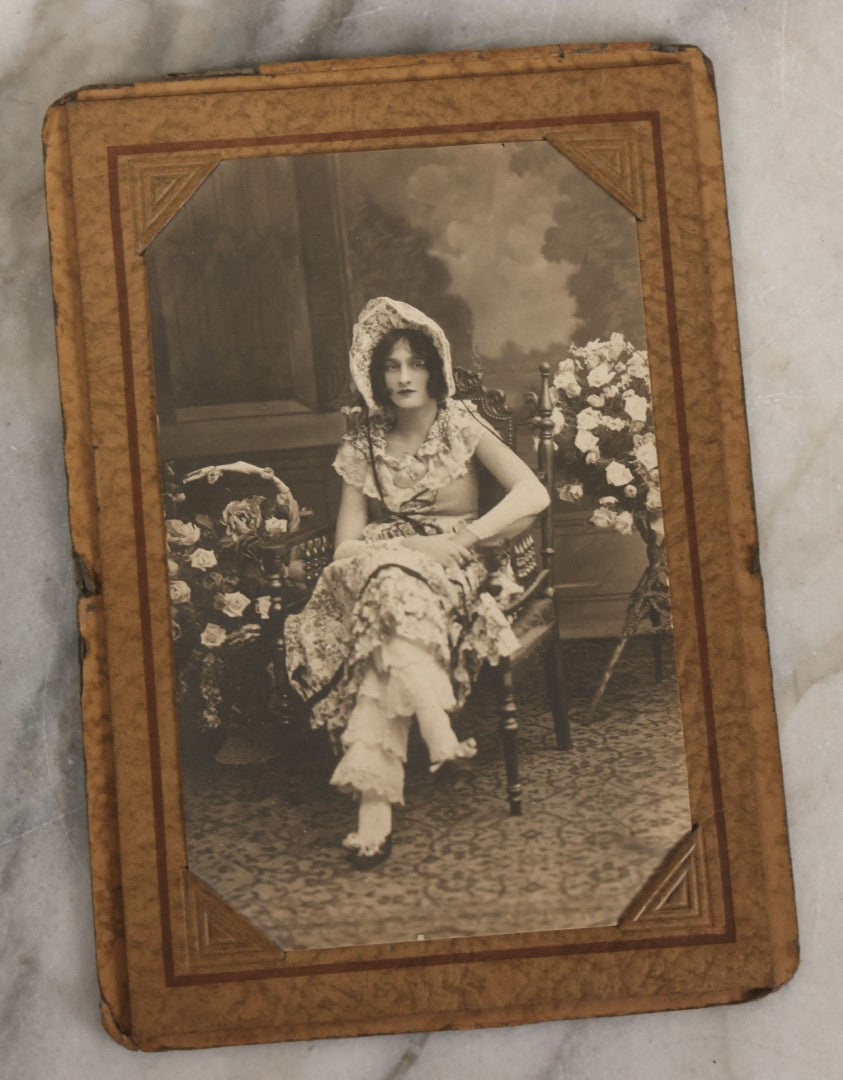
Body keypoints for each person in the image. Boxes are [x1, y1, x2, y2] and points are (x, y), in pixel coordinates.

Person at [284, 297, 550, 868]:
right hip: (379, 565)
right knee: (386, 582)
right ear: (376, 376)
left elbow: (533, 494)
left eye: (415, 364)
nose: (403, 377)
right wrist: (406, 547)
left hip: (453, 564)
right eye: (391, 366)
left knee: (386, 628)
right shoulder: (363, 443)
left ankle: (373, 819)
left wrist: (466, 538)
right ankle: (438, 732)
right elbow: (347, 547)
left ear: (435, 369)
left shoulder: (461, 425)